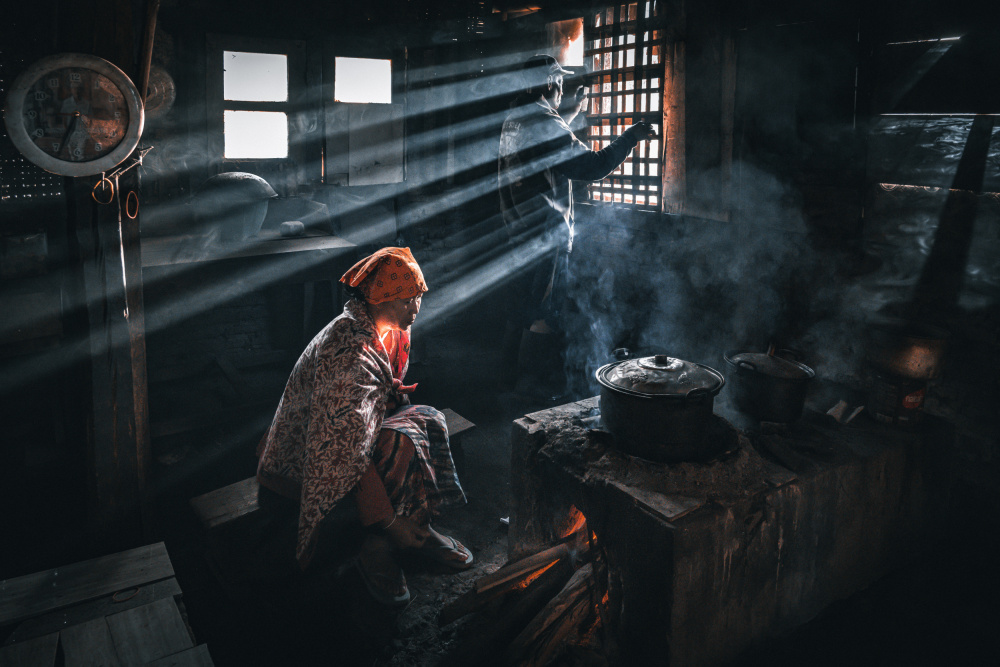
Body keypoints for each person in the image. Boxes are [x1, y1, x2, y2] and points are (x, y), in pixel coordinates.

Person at [256, 247, 471, 607]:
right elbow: (342, 447)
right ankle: (377, 546)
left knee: (428, 419)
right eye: (406, 302)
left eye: (418, 298)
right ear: (379, 298)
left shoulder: (393, 330)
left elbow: (374, 407)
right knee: (399, 443)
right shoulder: (348, 349)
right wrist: (387, 522)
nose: (415, 310)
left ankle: (419, 526)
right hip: (303, 455)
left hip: (349, 431)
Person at [498, 54, 655, 397]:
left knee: (520, 309)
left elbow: (544, 147)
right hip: (546, 234)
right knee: (544, 315)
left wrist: (570, 115)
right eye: (559, 82)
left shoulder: (516, 118)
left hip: (518, 230)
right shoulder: (544, 122)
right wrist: (631, 136)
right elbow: (593, 166)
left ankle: (506, 383)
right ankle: (532, 392)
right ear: (550, 83)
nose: (562, 88)